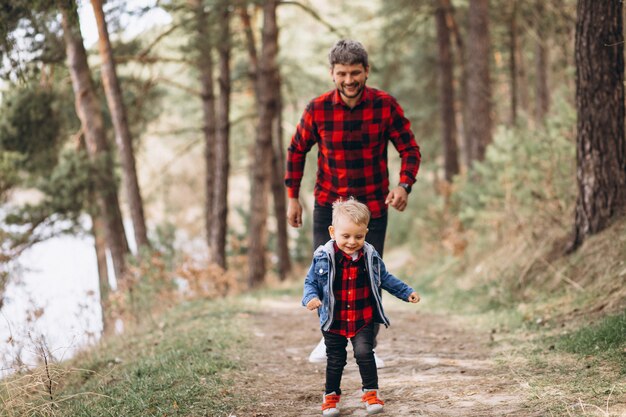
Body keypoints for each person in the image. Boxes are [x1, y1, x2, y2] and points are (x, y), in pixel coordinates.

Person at [285, 39, 421, 367]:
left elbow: (409, 149)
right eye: (342, 73)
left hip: (372, 206)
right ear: (332, 74)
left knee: (369, 275)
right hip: (328, 205)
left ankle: (368, 346)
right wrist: (292, 197)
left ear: (367, 71)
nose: (349, 80)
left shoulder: (385, 105)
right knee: (326, 273)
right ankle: (328, 339)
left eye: (356, 73)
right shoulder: (317, 109)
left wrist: (404, 185)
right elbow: (296, 151)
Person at [302, 198, 420, 416]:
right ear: (332, 231)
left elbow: (385, 278)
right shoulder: (323, 256)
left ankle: (371, 393)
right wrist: (310, 297)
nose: (351, 241)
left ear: (366, 232)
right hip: (334, 319)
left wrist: (406, 292)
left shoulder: (370, 256)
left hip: (362, 317)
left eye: (358, 236)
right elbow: (310, 282)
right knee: (335, 359)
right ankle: (331, 397)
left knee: (365, 353)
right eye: (345, 236)